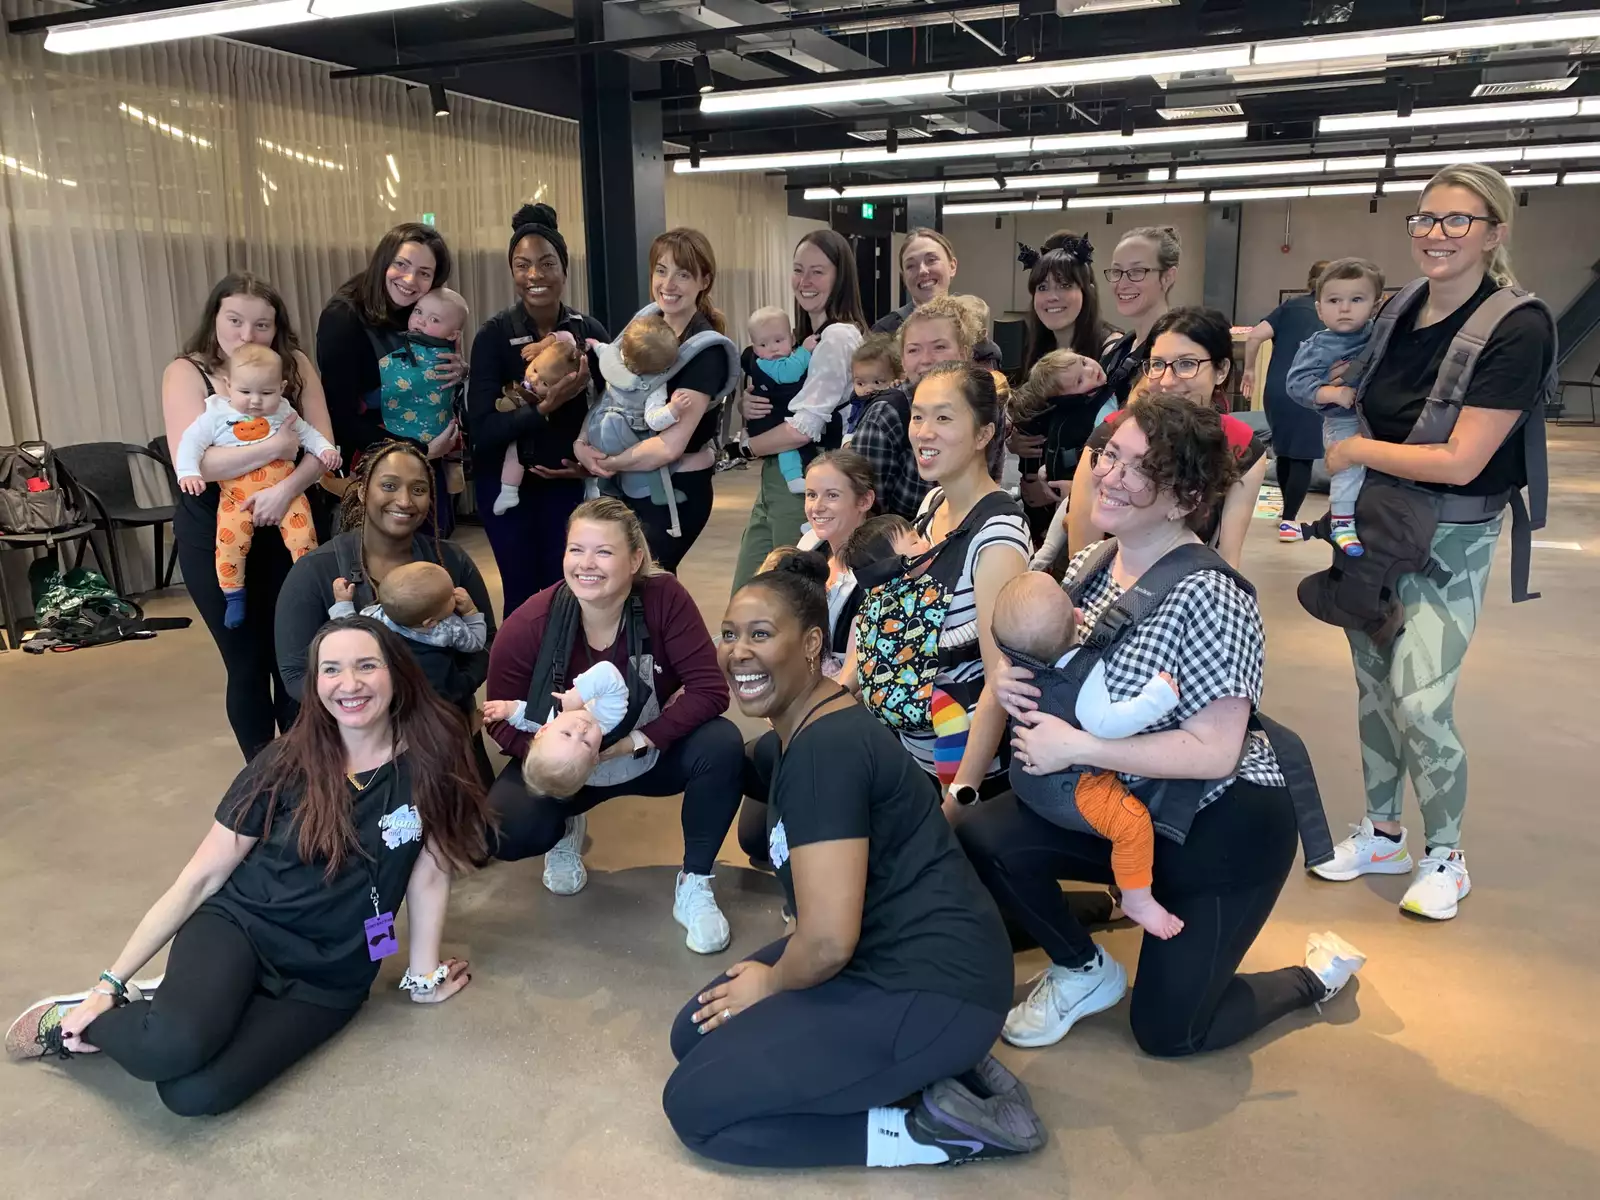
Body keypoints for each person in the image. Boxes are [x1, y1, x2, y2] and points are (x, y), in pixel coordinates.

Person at [956, 394, 1366, 1055]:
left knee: (1171, 1034)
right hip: (1127, 804)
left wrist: (1079, 744)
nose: (1111, 476)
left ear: (1184, 499)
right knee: (983, 833)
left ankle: (1311, 978)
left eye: (1139, 468)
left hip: (1220, 824)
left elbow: (1213, 752)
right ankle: (1082, 967)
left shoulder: (1211, 594)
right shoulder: (1096, 561)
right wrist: (1013, 679)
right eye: (1111, 455)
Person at [4, 618, 490, 1114]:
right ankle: (73, 1019)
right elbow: (201, 878)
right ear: (314, 683)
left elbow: (430, 868)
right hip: (244, 928)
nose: (350, 684)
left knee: (193, 1095)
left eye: (368, 665)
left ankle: (183, 1002)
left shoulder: (436, 754)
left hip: (330, 976)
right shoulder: (284, 762)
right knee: (167, 1050)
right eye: (332, 670)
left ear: (397, 672)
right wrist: (109, 984)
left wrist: (422, 973)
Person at [662, 554, 1047, 1169]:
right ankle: (924, 1068)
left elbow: (827, 945)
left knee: (696, 1108)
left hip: (929, 984)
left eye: (761, 634)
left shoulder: (825, 751)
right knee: (695, 1035)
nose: (738, 651)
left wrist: (774, 980)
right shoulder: (800, 730)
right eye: (730, 634)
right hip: (888, 957)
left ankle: (931, 1133)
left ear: (812, 643)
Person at [1310, 163, 1556, 920]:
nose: (1436, 235)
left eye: (1458, 221)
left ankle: (1446, 852)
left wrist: (1353, 452)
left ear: (1495, 233)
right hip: (1377, 525)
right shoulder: (1399, 309)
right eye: (1424, 220)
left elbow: (1463, 459)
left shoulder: (1517, 325)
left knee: (1422, 698)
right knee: (1375, 687)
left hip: (1450, 534)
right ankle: (1384, 832)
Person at [483, 498, 744, 953]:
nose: (587, 564)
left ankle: (696, 882)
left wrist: (636, 742)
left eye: (604, 552)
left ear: (635, 559)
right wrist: (561, 755)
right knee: (503, 831)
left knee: (721, 744)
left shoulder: (665, 598)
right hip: (572, 768)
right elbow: (499, 719)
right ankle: (566, 827)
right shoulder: (530, 624)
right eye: (576, 550)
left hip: (646, 751)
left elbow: (710, 690)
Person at [161, 273, 339, 760]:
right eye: (235, 320)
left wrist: (285, 488)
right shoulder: (187, 372)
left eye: (262, 324)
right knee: (245, 663)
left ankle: (305, 772)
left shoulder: (295, 365)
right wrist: (276, 446)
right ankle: (263, 778)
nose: (247, 334)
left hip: (294, 518)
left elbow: (322, 445)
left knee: (297, 656)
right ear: (214, 318)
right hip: (215, 532)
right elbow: (195, 461)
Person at [856, 363, 1030, 801]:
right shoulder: (934, 503)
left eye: (944, 418)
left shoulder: (997, 538)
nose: (923, 432)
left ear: (983, 434)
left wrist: (957, 804)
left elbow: (998, 684)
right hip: (912, 752)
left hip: (963, 773)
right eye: (918, 416)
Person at [989, 572, 1183, 939]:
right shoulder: (1085, 675)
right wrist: (1157, 698)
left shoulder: (1013, 669)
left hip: (1026, 778)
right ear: (1078, 619)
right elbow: (1110, 723)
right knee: (1133, 824)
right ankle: (1136, 898)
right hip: (1071, 788)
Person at [276, 440, 495, 726]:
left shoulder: (450, 560)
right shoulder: (316, 571)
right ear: (364, 490)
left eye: (418, 489)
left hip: (443, 726)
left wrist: (451, 687)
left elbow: (487, 641)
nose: (404, 501)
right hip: (356, 738)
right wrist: (363, 705)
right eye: (389, 486)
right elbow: (295, 673)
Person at [735, 450, 881, 865]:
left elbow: (858, 668)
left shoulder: (875, 567)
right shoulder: (808, 546)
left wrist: (800, 709)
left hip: (841, 710)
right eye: (812, 494)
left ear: (864, 501)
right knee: (754, 838)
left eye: (832, 496)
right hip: (794, 697)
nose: (817, 506)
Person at [467, 204, 608, 614]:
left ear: (564, 269)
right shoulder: (494, 336)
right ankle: (523, 679)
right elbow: (484, 430)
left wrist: (593, 465)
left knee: (571, 597)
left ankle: (567, 680)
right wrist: (545, 407)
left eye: (547, 263)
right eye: (522, 265)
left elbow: (617, 408)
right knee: (524, 600)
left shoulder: (588, 332)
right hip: (508, 490)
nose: (535, 275)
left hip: (570, 487)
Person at [572, 229, 737, 572]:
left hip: (675, 487)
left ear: (704, 280)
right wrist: (582, 444)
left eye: (683, 274)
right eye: (661, 271)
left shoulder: (706, 351)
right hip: (625, 480)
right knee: (623, 587)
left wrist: (608, 463)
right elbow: (612, 396)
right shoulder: (645, 325)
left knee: (647, 583)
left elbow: (669, 446)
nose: (669, 284)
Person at [1061, 307, 1270, 570]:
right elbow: (1082, 556)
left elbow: (1227, 556)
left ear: (1221, 370)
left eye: (1186, 364)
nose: (1168, 381)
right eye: (1158, 364)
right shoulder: (1112, 436)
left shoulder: (1240, 446)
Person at [728, 231, 869, 591]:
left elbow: (804, 427)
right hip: (776, 477)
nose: (805, 282)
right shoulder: (805, 337)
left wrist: (744, 447)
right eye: (798, 270)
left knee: (783, 597)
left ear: (840, 277)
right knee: (751, 591)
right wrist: (750, 405)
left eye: (818, 272)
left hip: (806, 471)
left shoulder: (837, 336)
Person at [175, 344, 342, 628]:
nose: (255, 401)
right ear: (228, 385)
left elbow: (308, 434)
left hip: (288, 491)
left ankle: (313, 588)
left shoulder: (284, 411)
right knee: (229, 544)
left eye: (266, 393)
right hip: (237, 496)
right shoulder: (215, 415)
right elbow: (191, 443)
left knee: (304, 540)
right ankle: (234, 595)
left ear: (282, 387)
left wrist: (326, 450)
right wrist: (188, 472)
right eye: (245, 392)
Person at [316, 222, 464, 532]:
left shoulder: (420, 311)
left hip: (426, 454)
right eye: (401, 264)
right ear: (384, 260)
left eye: (424, 273)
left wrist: (460, 368)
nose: (410, 280)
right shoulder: (343, 318)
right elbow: (340, 416)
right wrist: (418, 450)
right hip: (373, 464)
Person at [1285, 258, 1386, 557]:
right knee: (1348, 469)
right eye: (1334, 300)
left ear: (1376, 305)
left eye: (1356, 299)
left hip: (1376, 420)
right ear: (1319, 308)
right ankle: (1341, 521)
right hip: (1343, 421)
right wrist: (1331, 392)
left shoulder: (1378, 334)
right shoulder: (1317, 346)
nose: (1344, 308)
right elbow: (1296, 384)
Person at [851, 293, 983, 520]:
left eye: (939, 347)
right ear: (902, 360)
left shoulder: (985, 408)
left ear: (964, 353)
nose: (926, 359)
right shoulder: (885, 415)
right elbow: (863, 513)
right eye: (913, 350)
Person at [1240, 259, 1330, 540]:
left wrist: (1250, 370)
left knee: (1284, 450)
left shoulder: (1290, 307)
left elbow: (1255, 336)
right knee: (1302, 456)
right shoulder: (1333, 313)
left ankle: (1285, 512)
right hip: (1311, 389)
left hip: (1278, 389)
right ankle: (1290, 519)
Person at [577, 314, 701, 514]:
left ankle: (608, 491)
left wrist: (594, 344)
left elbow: (604, 351)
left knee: (608, 481)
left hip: (599, 434)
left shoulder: (614, 360)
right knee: (651, 461)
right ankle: (654, 492)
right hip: (626, 437)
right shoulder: (653, 385)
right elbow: (654, 421)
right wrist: (673, 409)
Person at [328, 561, 486, 653]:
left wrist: (343, 602)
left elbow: (347, 631)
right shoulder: (449, 629)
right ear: (430, 622)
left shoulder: (374, 621)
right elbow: (476, 643)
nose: (455, 592)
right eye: (450, 595)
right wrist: (470, 612)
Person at [741, 306, 813, 495]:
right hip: (769, 420)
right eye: (763, 345)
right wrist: (805, 350)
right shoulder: (765, 364)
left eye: (778, 340)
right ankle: (793, 478)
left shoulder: (788, 356)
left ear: (791, 338)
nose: (772, 349)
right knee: (787, 447)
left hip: (777, 415)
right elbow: (790, 372)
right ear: (755, 348)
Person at [844, 333, 901, 435]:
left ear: (897, 377)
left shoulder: (892, 404)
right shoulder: (857, 401)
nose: (868, 389)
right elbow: (852, 428)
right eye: (860, 383)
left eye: (877, 382)